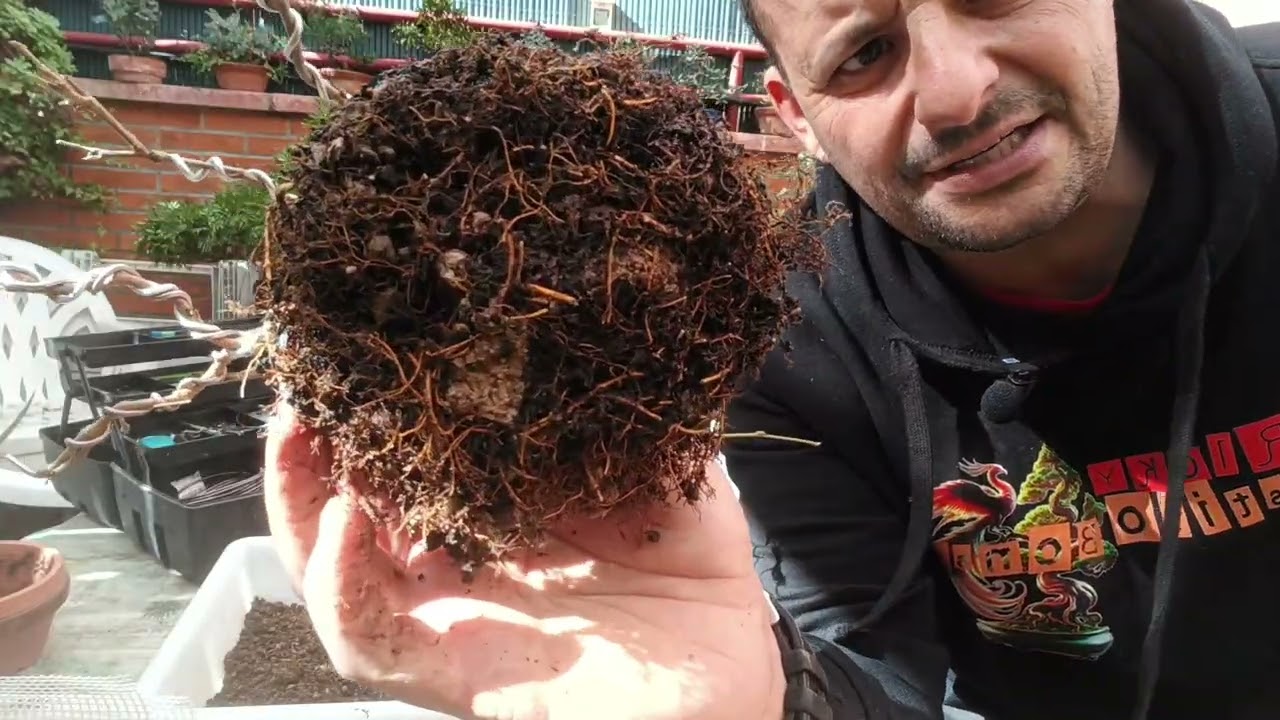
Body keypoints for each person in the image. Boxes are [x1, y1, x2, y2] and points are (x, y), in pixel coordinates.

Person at [262, 0, 1280, 718]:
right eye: (862, 55)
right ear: (797, 117)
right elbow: (870, 674)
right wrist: (762, 702)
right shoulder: (783, 350)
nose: (957, 91)